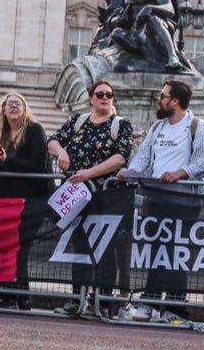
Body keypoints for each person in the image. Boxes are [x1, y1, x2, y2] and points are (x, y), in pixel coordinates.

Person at [122, 80, 204, 324]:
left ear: (175, 101)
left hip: (186, 200)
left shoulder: (198, 127)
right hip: (157, 197)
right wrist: (130, 171)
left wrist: (178, 173)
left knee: (176, 252)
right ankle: (150, 301)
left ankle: (175, 306)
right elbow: (143, 155)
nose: (159, 99)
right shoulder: (157, 127)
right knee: (156, 250)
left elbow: (201, 161)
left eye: (163, 96)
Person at [47, 80, 135, 316]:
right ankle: (78, 299)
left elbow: (120, 158)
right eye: (100, 94)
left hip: (107, 197)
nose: (105, 97)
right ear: (91, 99)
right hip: (78, 197)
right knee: (79, 247)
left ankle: (103, 301)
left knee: (106, 250)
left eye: (109, 94)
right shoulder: (78, 121)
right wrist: (62, 152)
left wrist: (89, 173)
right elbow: (52, 141)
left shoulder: (121, 125)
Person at [0, 92, 51, 310]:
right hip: (3, 199)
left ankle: (21, 296)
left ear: (24, 108)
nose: (13, 106)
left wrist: (6, 160)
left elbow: (37, 165)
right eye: (9, 104)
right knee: (0, 247)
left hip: (31, 199)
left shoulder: (35, 130)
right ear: (3, 109)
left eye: (18, 103)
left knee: (21, 249)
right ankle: (5, 294)